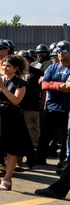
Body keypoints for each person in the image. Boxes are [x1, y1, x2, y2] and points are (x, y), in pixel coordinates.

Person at [0, 55, 34, 191]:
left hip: (12, 116)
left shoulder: (20, 83)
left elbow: (16, 100)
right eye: (4, 65)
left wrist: (3, 87)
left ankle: (7, 179)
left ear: (15, 68)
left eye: (8, 66)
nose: (5, 68)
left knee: (12, 149)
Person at [39, 40, 70, 172]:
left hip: (66, 108)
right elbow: (44, 84)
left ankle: (64, 160)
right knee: (45, 134)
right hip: (51, 106)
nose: (60, 54)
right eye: (58, 51)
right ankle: (40, 158)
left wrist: (54, 84)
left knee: (64, 136)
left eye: (63, 51)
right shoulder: (53, 67)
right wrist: (58, 86)